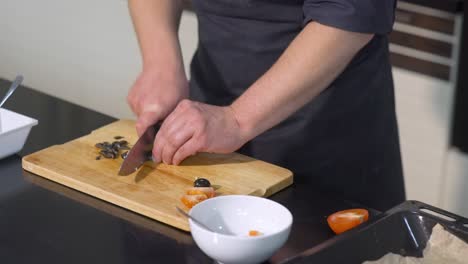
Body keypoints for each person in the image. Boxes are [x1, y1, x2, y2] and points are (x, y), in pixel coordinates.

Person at [126, 0, 405, 211]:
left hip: (325, 130)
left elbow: (350, 10)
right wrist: (159, 63)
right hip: (209, 117)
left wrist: (237, 119)